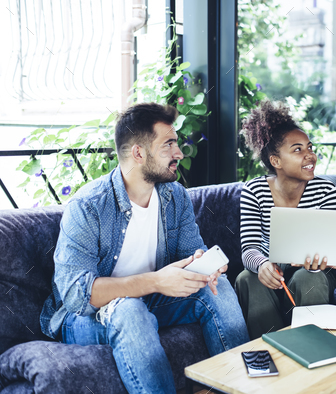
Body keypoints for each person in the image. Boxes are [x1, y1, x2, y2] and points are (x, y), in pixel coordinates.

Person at [39, 103, 249, 394]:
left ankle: (238, 388)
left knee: (218, 288)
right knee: (129, 310)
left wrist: (203, 265)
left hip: (153, 299)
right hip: (87, 316)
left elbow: (192, 251)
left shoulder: (174, 196)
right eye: (169, 145)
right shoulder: (88, 206)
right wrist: (155, 280)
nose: (179, 153)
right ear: (138, 153)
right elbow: (76, 296)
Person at [235, 100, 336, 339]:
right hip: (271, 269)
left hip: (310, 271)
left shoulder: (326, 191)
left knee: (307, 278)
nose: (309, 155)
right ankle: (272, 348)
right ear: (276, 161)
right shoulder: (254, 191)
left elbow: (328, 244)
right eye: (298, 150)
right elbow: (249, 248)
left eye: (309, 147)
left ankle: (311, 346)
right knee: (247, 278)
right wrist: (262, 265)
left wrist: (325, 257)